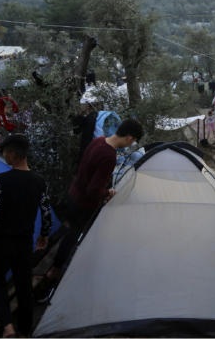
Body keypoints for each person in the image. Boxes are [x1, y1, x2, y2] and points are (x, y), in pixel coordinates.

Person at [38, 118, 143, 300]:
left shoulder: (98, 140)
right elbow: (93, 189)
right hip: (84, 205)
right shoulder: (109, 155)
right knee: (76, 239)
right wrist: (106, 193)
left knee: (70, 236)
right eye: (132, 141)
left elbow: (85, 171)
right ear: (129, 137)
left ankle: (55, 270)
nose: (131, 145)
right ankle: (57, 276)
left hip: (73, 195)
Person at [0, 134, 52, 338]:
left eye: (5, 152)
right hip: (23, 244)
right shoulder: (39, 181)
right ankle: (26, 330)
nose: (4, 155)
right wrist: (44, 234)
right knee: (23, 285)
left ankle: (8, 328)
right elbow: (46, 211)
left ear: (13, 153)